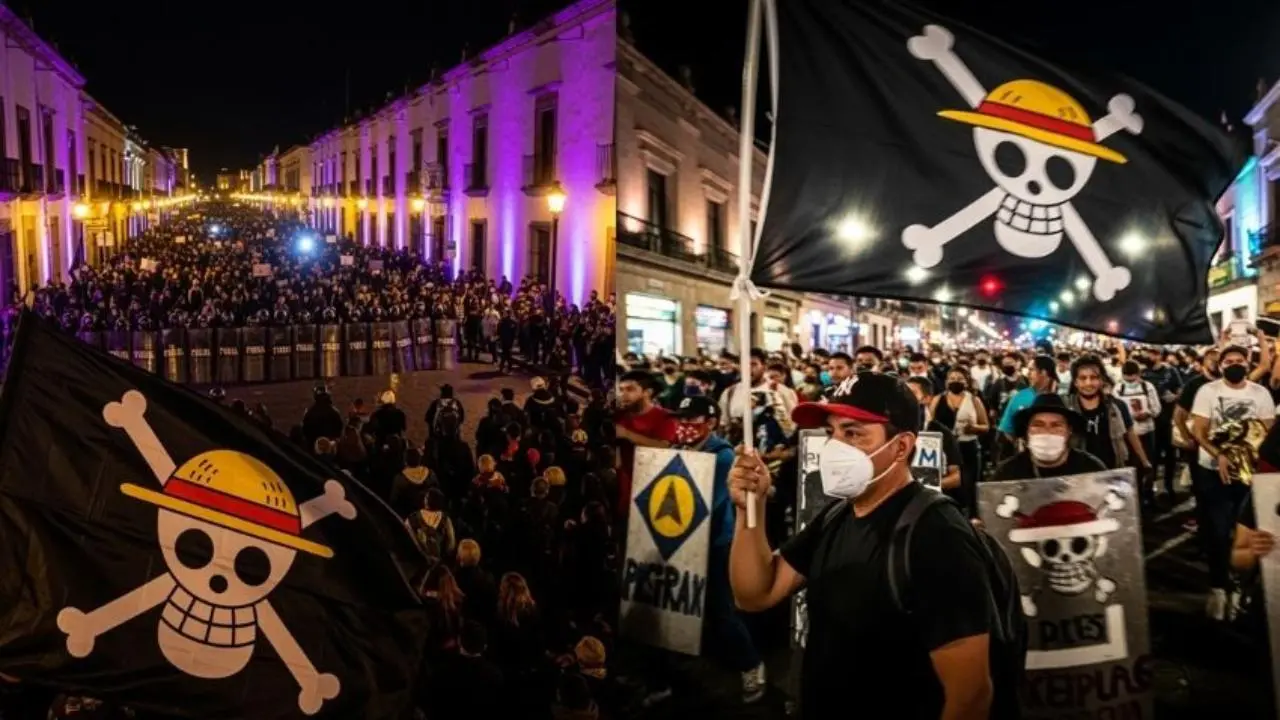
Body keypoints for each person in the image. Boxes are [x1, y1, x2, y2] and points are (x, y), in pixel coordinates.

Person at [728, 374, 998, 719]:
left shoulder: (937, 535)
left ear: (901, 446)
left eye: (853, 433)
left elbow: (971, 695)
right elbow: (755, 592)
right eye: (832, 433)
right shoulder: (837, 516)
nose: (835, 447)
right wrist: (750, 508)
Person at [671, 395, 766, 702]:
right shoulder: (679, 449)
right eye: (681, 420)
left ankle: (751, 665)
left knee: (722, 609)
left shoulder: (722, 456)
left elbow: (704, 502)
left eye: (691, 421)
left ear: (710, 423)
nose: (684, 426)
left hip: (715, 543)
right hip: (682, 540)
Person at [1190, 344, 1276, 620]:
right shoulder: (1208, 391)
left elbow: (1268, 433)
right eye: (1229, 361)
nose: (1234, 364)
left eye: (1239, 360)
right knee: (1217, 531)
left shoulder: (1260, 393)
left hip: (1250, 476)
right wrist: (1220, 454)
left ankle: (1242, 587)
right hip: (1214, 473)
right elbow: (1199, 430)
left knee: (1250, 538)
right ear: (1220, 364)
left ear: (1247, 363)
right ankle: (1218, 587)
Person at [993, 394, 1107, 481]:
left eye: (1056, 425)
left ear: (1069, 431)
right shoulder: (1006, 473)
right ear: (1027, 431)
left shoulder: (1092, 469)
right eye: (1038, 425)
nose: (1047, 432)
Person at [905, 376, 961, 490]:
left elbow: (956, 477)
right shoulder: (894, 429)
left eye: (912, 393)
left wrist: (930, 487)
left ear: (926, 398)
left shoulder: (942, 433)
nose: (905, 397)